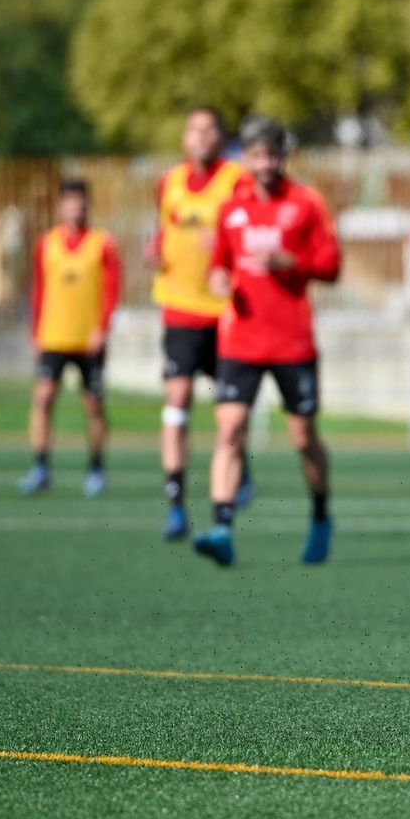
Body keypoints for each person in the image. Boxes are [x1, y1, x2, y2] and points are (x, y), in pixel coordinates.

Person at [192, 116, 340, 568]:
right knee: (230, 430)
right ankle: (221, 527)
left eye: (272, 154)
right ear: (246, 158)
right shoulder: (230, 210)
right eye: (256, 155)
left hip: (292, 341)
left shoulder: (306, 203)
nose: (265, 163)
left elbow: (331, 266)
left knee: (302, 437)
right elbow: (219, 262)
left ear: (283, 156)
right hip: (240, 340)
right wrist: (217, 278)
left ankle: (319, 515)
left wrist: (289, 261)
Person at [144, 107, 252, 540]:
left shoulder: (236, 181)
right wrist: (154, 249)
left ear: (221, 137)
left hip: (225, 312)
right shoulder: (168, 182)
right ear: (185, 138)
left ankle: (238, 470)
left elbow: (250, 229)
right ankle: (175, 501)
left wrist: (226, 247)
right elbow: (162, 230)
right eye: (193, 129)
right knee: (178, 394)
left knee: (229, 412)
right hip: (179, 308)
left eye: (209, 129)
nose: (200, 136)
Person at [18, 179, 121, 497]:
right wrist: (35, 331)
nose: (75, 207)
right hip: (53, 337)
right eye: (69, 201)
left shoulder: (102, 243)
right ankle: (40, 467)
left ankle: (96, 469)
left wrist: (102, 328)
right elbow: (38, 290)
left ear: (87, 205)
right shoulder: (46, 244)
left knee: (93, 405)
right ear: (60, 206)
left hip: (88, 340)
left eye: (80, 201)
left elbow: (112, 290)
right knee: (43, 398)